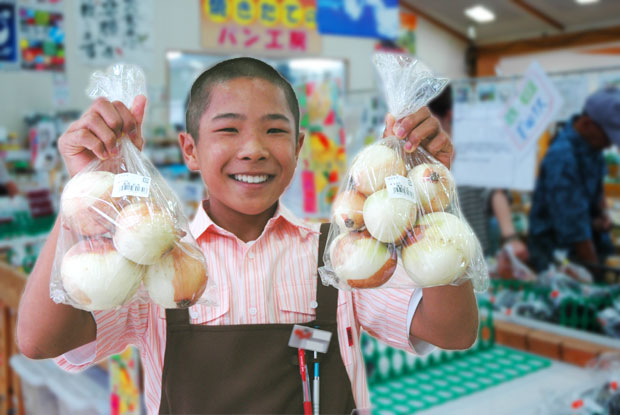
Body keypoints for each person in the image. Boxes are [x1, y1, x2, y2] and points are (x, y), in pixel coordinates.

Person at [16, 57, 479, 414]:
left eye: (275, 130)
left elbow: (453, 331)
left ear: (299, 148)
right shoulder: (150, 259)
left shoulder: (339, 254)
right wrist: (83, 194)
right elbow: (39, 341)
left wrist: (427, 206)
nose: (253, 150)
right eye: (228, 130)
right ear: (190, 150)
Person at [427, 85, 529, 269]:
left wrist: (510, 237)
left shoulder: (470, 151)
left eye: (429, 120)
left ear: (448, 116)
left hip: (475, 260)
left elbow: (493, 192)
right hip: (430, 260)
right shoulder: (417, 154)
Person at [528, 87, 620, 273]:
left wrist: (601, 214)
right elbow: (574, 230)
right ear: (586, 123)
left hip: (587, 244)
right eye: (607, 138)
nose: (609, 144)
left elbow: (596, 190)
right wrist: (600, 276)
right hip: (558, 255)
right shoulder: (562, 157)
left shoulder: (593, 148)